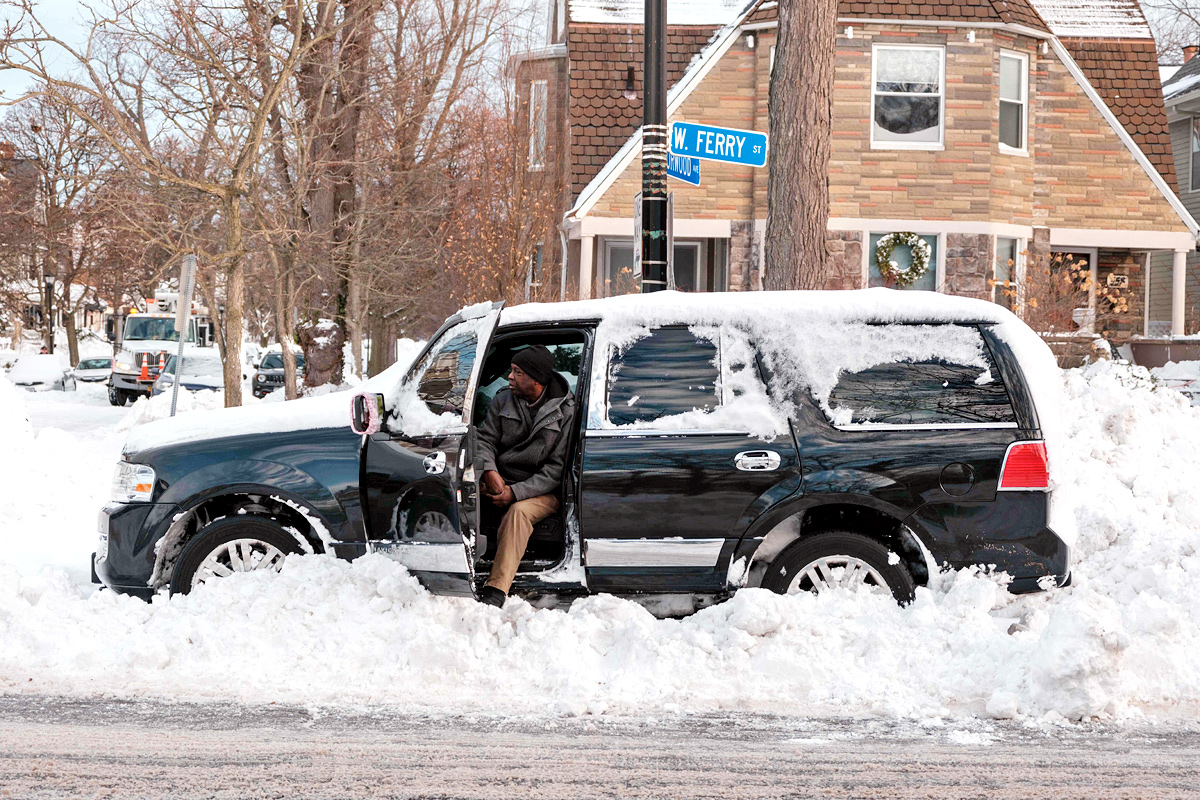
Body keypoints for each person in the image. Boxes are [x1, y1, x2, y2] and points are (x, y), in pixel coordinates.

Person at [475, 344, 575, 607]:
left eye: (517, 372)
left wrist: (514, 493)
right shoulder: (503, 399)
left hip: (543, 490)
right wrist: (489, 471)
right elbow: (484, 440)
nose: (510, 377)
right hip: (500, 479)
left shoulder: (565, 413)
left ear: (537, 379)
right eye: (511, 370)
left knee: (518, 512)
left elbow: (556, 470)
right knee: (459, 490)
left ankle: (496, 589)